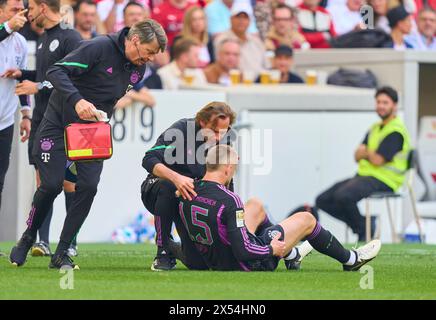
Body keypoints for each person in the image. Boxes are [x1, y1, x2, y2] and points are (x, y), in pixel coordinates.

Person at [9, 18, 167, 269]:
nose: (148, 60)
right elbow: (56, 71)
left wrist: (101, 115)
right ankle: (28, 237)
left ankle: (62, 251)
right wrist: (78, 101)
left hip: (92, 132)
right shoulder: (98, 47)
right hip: (58, 123)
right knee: (50, 186)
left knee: (89, 186)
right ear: (135, 40)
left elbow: (108, 95)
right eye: (147, 52)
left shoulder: (137, 70)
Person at [178, 144, 382, 272]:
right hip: (248, 263)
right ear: (228, 168)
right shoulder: (230, 200)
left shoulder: (186, 191)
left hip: (217, 258)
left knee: (255, 205)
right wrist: (271, 249)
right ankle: (351, 259)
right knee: (307, 219)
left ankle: (291, 255)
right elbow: (243, 251)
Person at [2, 0, 83, 257]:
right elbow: (45, 73)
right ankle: (43, 241)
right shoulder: (44, 38)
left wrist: (37, 87)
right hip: (42, 120)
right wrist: (24, 74)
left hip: (64, 121)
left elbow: (72, 77)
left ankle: (69, 242)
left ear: (43, 7)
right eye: (17, 9)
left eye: (30, 8)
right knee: (44, 182)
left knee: (69, 183)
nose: (26, 14)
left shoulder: (70, 37)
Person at [141, 101, 236, 271]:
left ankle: (172, 246)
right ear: (202, 122)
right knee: (168, 187)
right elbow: (149, 159)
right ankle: (162, 251)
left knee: (198, 263)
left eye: (223, 132)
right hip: (157, 190)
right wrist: (177, 178)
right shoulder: (182, 130)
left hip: (192, 199)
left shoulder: (225, 140)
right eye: (214, 132)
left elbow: (226, 180)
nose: (219, 138)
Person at [316, 86, 411, 241]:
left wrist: (366, 152)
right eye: (378, 102)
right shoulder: (375, 128)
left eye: (385, 102)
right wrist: (368, 154)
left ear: (395, 105)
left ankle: (363, 230)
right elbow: (356, 155)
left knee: (344, 196)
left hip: (385, 180)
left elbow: (377, 160)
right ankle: (364, 225)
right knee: (323, 200)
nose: (380, 106)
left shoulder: (396, 131)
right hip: (364, 176)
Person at [0, 0, 29, 256]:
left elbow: (21, 78)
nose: (20, 15)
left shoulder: (20, 42)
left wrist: (26, 113)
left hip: (5, 120)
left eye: (22, 10)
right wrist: (7, 27)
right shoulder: (7, 32)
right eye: (13, 10)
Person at [214, 2, 266, 78]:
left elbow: (265, 66)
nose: (241, 20)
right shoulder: (222, 40)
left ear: (250, 21)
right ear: (231, 19)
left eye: (245, 17)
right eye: (238, 17)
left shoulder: (257, 42)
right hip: (232, 83)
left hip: (257, 85)